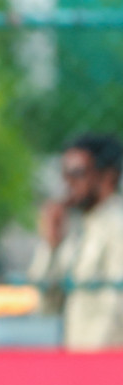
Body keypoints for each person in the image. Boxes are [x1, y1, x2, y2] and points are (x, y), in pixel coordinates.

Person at [30, 134, 123, 350]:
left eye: (77, 173)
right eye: (64, 173)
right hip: (79, 357)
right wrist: (51, 244)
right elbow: (46, 304)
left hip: (108, 359)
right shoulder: (78, 228)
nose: (67, 182)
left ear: (107, 177)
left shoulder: (117, 227)